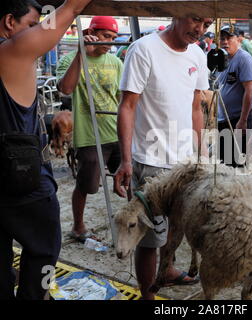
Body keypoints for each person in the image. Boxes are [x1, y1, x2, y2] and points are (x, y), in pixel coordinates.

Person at [114, 16, 213, 300]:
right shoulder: (144, 49)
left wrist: (201, 151)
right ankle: (147, 295)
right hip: (150, 161)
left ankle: (167, 269)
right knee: (149, 236)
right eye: (196, 20)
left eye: (206, 24)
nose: (200, 29)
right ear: (175, 13)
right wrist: (126, 160)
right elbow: (128, 106)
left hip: (184, 163)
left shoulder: (197, 53)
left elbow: (196, 105)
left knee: (176, 228)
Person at [0, 0, 93, 300]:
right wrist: (67, 8)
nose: (36, 33)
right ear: (9, 23)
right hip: (24, 181)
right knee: (44, 251)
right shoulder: (12, 51)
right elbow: (71, 9)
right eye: (31, 25)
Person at [57, 16, 123, 243]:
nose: (110, 43)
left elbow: (121, 98)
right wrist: (81, 52)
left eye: (113, 38)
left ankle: (134, 223)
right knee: (87, 185)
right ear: (90, 32)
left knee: (130, 180)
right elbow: (65, 89)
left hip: (116, 131)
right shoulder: (69, 60)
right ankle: (78, 225)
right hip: (89, 135)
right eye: (106, 36)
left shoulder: (115, 62)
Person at [217, 25, 252, 166]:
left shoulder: (244, 58)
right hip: (223, 119)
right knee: (224, 162)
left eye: (229, 38)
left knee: (239, 164)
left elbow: (250, 90)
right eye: (222, 38)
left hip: (238, 120)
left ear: (238, 39)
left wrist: (243, 120)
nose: (225, 42)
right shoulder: (221, 58)